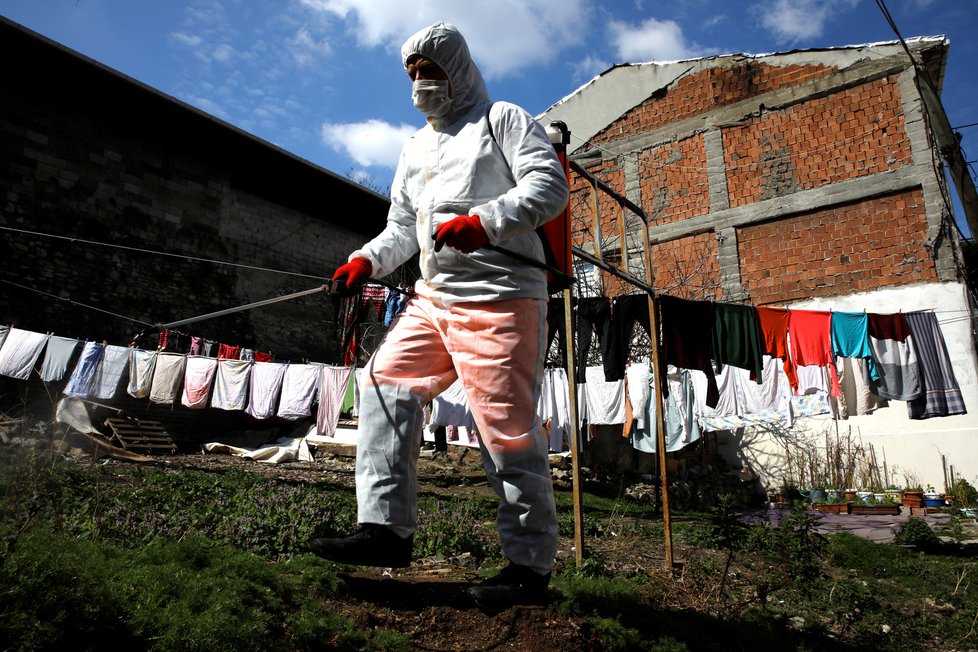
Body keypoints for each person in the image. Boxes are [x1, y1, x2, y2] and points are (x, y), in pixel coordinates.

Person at [307, 21, 569, 612]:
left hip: (502, 297)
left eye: (431, 71)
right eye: (413, 74)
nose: (421, 84)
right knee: (382, 382)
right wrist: (364, 262)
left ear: (457, 68)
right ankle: (385, 531)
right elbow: (403, 227)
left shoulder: (503, 120)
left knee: (506, 433)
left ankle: (528, 569)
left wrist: (486, 221)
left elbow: (549, 188)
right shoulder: (415, 148)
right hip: (434, 299)